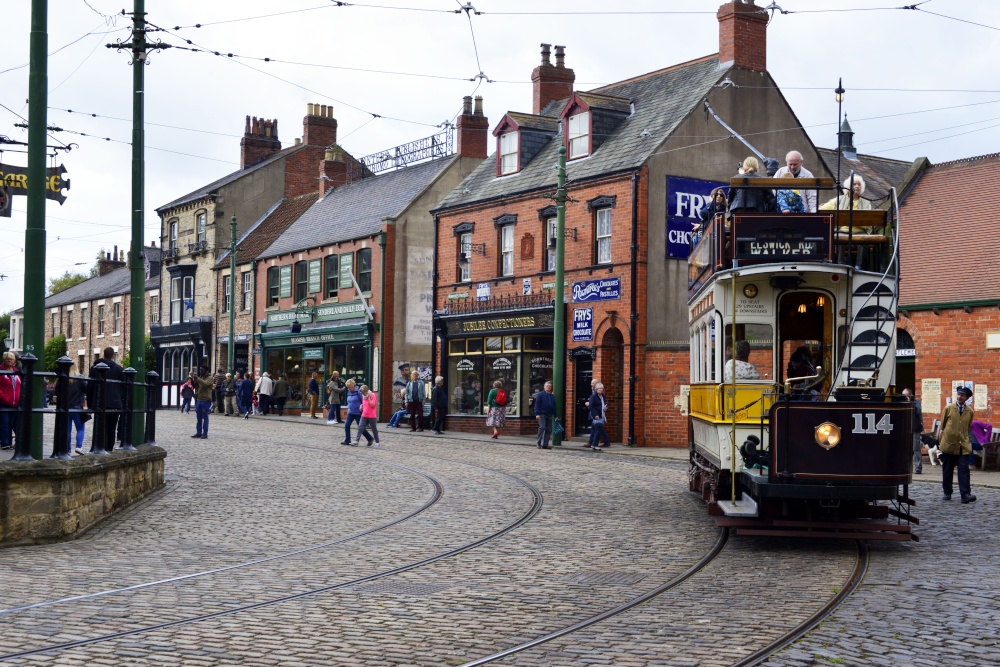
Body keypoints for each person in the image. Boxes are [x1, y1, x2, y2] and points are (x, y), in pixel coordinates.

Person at [940, 386, 976, 503]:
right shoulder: (949, 408)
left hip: (963, 445)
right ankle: (947, 492)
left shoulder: (970, 411)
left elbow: (968, 427)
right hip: (949, 443)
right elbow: (943, 426)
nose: (960, 397)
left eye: (963, 395)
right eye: (959, 394)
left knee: (964, 470)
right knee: (947, 469)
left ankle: (965, 494)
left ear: (967, 398)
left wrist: (966, 439)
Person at [87, 347, 124, 452]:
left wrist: (90, 403)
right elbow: (124, 387)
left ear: (103, 354)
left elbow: (90, 386)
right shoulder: (119, 369)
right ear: (113, 356)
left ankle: (98, 448)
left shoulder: (94, 368)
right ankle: (109, 450)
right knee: (111, 429)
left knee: (100, 427)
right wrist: (120, 398)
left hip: (100, 402)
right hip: (114, 403)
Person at [0, 351, 21, 450]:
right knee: (4, 423)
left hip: (15, 403)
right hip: (3, 402)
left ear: (14, 361)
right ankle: (5, 443)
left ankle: (9, 442)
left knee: (12, 423)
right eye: (7, 359)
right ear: (4, 360)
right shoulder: (1, 371)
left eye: (11, 359)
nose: (9, 360)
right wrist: (3, 397)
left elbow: (19, 386)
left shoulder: (16, 372)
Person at [66, 362, 88, 452]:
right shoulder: (80, 378)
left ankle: (67, 449)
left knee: (67, 430)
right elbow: (86, 390)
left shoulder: (63, 378)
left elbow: (57, 391)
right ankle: (79, 447)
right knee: (80, 428)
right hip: (77, 406)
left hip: (65, 407)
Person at [902, 388, 924, 474]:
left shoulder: (916, 403)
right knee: (906, 449)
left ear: (910, 395)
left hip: (915, 428)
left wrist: (910, 403)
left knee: (915, 448)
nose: (905, 397)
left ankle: (918, 468)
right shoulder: (902, 403)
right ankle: (906, 467)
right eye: (904, 395)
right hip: (905, 429)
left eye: (906, 395)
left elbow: (919, 412)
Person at [190, 366, 214, 439]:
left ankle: (205, 433)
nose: (201, 371)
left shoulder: (210, 378)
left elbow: (205, 384)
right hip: (199, 399)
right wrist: (194, 380)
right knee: (199, 417)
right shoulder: (201, 377)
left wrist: (198, 379)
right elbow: (198, 386)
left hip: (206, 400)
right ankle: (199, 432)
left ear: (206, 371)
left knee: (205, 417)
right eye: (200, 370)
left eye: (202, 370)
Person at [534, 381, 556, 449]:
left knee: (548, 430)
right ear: (544, 387)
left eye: (550, 386)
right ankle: (538, 443)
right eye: (547, 386)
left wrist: (556, 415)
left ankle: (545, 444)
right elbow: (537, 405)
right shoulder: (540, 395)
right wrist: (537, 413)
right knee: (542, 427)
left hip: (549, 414)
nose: (548, 387)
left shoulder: (552, 396)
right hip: (541, 414)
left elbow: (553, 406)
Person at [588, 382, 611, 450]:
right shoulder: (593, 396)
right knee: (598, 429)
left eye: (602, 388)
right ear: (596, 389)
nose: (601, 389)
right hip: (597, 416)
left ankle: (593, 443)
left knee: (596, 429)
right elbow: (591, 406)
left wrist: (605, 408)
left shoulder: (603, 396)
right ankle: (594, 444)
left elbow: (603, 404)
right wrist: (595, 415)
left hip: (602, 415)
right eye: (599, 388)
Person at [342, 379, 362, 445]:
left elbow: (363, 401)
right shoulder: (349, 392)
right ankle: (347, 440)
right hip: (350, 412)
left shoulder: (358, 392)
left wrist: (361, 407)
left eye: (349, 387)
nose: (348, 388)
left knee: (361, 427)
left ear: (353, 385)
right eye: (347, 387)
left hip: (357, 412)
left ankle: (370, 438)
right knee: (347, 425)